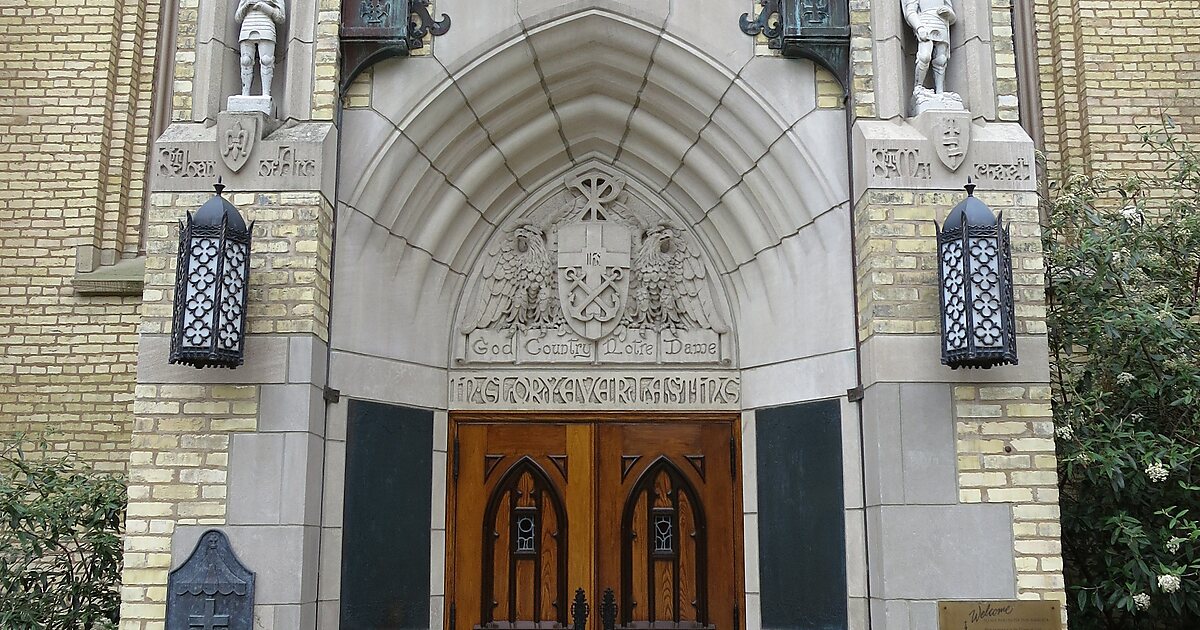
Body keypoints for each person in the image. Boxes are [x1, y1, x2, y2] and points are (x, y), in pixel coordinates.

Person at [236, 0, 286, 98]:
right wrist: (246, 5)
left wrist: (265, 7)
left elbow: (281, 17)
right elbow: (238, 17)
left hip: (266, 26)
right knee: (245, 61)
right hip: (247, 26)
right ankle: (245, 93)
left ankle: (266, 93)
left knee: (266, 60)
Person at [904, 0, 956, 95]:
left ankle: (940, 91)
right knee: (924, 56)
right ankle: (918, 87)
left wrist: (948, 13)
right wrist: (919, 27)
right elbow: (910, 12)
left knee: (941, 59)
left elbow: (952, 18)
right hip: (925, 23)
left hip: (941, 24)